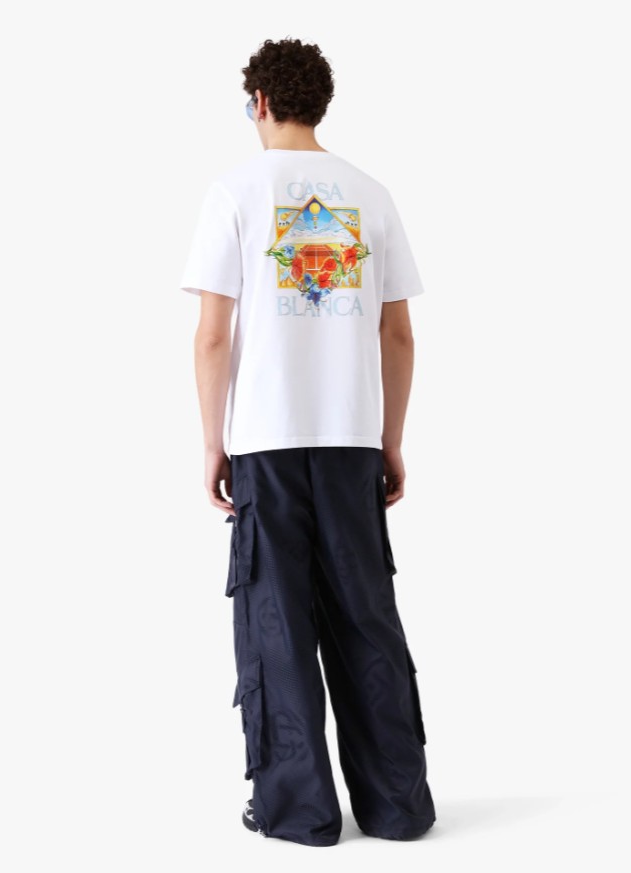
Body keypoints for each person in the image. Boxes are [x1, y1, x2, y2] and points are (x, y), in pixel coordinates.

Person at [179, 37, 436, 847]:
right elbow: (399, 334)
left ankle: (300, 811)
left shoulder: (234, 192)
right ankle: (398, 806)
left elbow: (212, 336)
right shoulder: (371, 194)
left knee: (277, 621)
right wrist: (390, 440)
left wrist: (213, 442)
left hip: (266, 435)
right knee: (366, 616)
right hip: (352, 435)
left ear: (259, 101)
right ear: (319, 103)